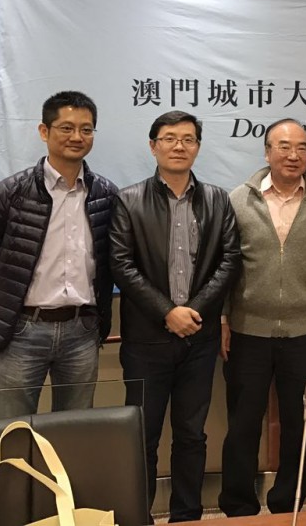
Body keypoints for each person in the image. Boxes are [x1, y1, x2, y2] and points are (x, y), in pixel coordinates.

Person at [110, 110, 241, 523]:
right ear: (153, 146)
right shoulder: (128, 200)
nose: (179, 146)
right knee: (141, 436)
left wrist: (193, 312)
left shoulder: (218, 200)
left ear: (198, 147)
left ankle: (187, 514)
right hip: (146, 341)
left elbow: (230, 261)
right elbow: (121, 264)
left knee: (191, 435)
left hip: (199, 340)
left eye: (188, 139)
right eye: (169, 138)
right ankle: (139, 516)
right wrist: (167, 312)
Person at [219, 119, 306, 518]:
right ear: (267, 151)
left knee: (299, 424)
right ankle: (238, 506)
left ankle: (288, 505)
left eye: (302, 148)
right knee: (242, 424)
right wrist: (223, 320)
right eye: (284, 147)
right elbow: (224, 266)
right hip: (247, 331)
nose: (293, 155)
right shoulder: (238, 200)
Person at [0, 90, 117, 420]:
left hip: (82, 332)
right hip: (22, 331)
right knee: (11, 431)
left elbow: (111, 264)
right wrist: (8, 317)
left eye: (86, 129)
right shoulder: (7, 194)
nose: (77, 137)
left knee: (74, 430)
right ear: (43, 131)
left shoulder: (106, 196)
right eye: (66, 128)